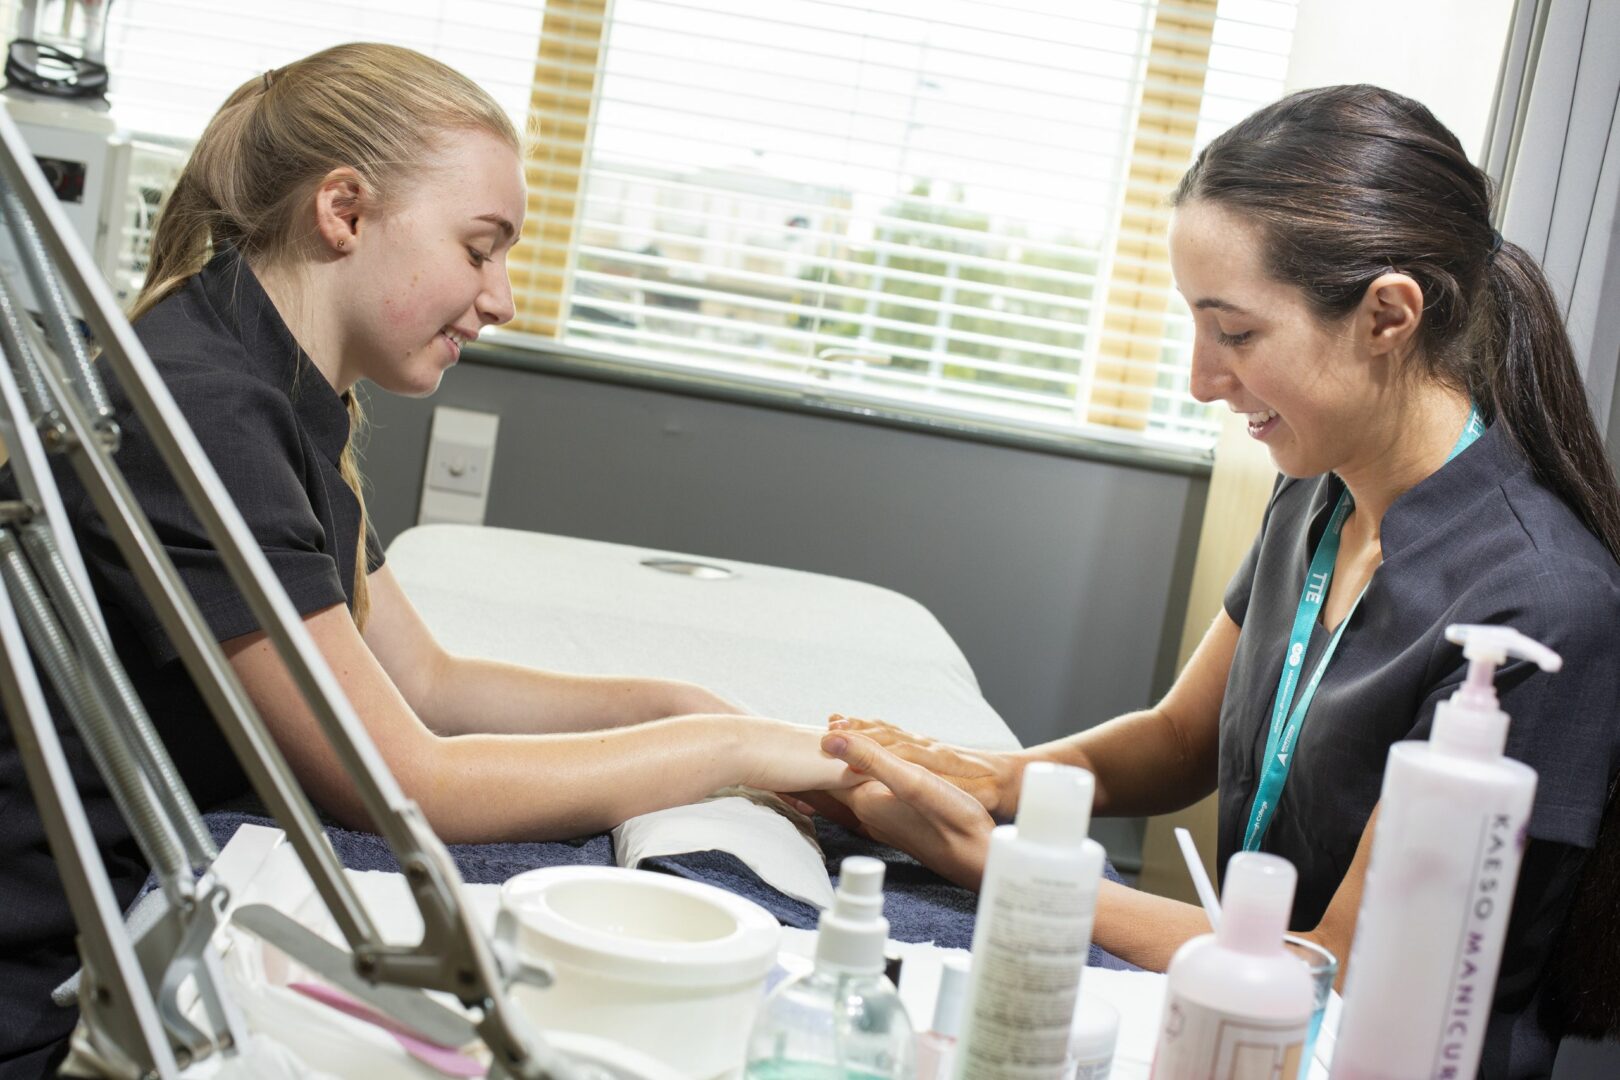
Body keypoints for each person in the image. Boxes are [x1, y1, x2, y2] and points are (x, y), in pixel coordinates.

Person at [0, 43, 852, 1075]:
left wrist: (676, 705)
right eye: (479, 248)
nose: (499, 297)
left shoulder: (274, 384)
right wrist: (736, 755)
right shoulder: (205, 407)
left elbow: (426, 681)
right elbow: (402, 780)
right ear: (345, 211)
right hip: (49, 987)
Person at [801, 85, 1620, 1079]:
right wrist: (985, 779)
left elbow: (1346, 969)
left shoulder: (1540, 608)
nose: (1200, 378)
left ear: (1387, 316)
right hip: (1233, 1024)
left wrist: (1009, 869)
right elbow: (1182, 738)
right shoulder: (1320, 492)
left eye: (1235, 335)